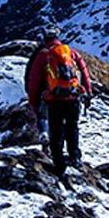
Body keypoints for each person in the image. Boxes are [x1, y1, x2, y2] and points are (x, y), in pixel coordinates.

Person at [24, 26, 93, 175]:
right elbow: (84, 73)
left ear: (44, 38)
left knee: (56, 130)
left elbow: (33, 82)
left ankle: (59, 164)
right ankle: (75, 158)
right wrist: (88, 92)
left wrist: (33, 103)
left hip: (54, 99)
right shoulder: (71, 52)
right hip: (73, 96)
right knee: (72, 127)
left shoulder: (43, 55)